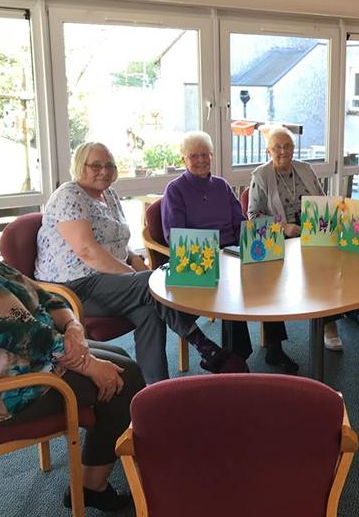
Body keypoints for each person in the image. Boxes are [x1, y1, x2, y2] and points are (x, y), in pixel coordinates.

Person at [0, 188, 144, 512]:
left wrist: (73, 328)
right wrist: (88, 364)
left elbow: (46, 297)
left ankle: (99, 466)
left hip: (23, 363)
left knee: (118, 360)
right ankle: (93, 486)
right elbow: (34, 340)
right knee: (125, 377)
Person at [34, 142, 246, 384]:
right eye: (95, 166)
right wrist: (136, 276)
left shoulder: (109, 195)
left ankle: (155, 387)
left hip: (108, 283)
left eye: (109, 166)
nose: (104, 171)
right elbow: (87, 251)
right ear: (79, 166)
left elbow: (121, 244)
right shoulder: (68, 195)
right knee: (152, 285)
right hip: (73, 287)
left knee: (148, 311)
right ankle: (205, 346)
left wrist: (140, 268)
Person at [161, 130, 295, 372]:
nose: (201, 160)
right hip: (201, 256)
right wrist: (214, 252)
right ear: (183, 160)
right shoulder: (175, 190)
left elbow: (239, 222)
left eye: (205, 154)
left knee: (269, 277)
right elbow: (174, 235)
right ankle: (238, 358)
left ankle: (275, 348)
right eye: (194, 156)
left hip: (232, 249)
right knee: (232, 292)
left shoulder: (221, 186)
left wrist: (251, 244)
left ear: (212, 156)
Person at [247, 125, 344, 353]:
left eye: (288, 146)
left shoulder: (305, 169)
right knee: (269, 276)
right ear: (268, 151)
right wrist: (283, 228)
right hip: (279, 239)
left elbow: (322, 200)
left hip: (311, 234)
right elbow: (252, 215)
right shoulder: (260, 176)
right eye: (277, 147)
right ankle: (274, 346)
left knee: (327, 266)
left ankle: (329, 325)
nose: (283, 151)